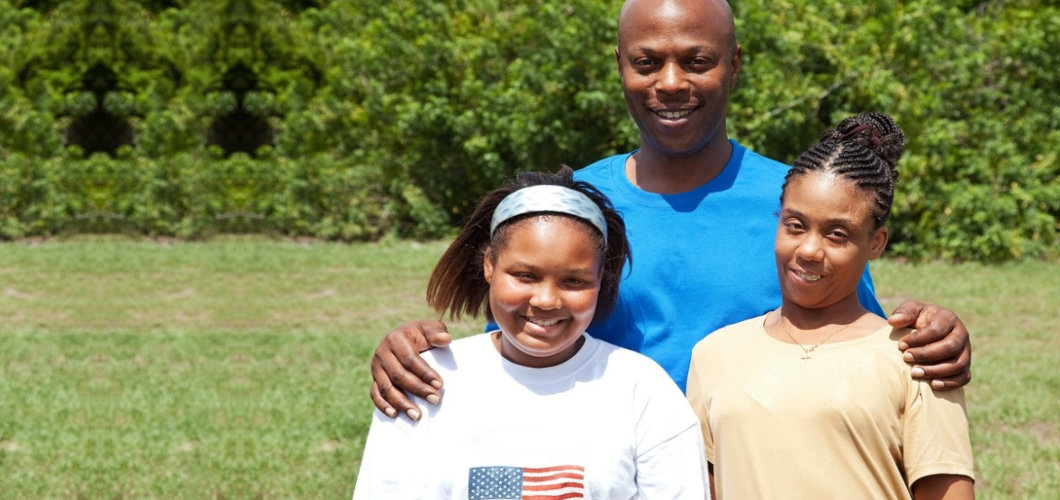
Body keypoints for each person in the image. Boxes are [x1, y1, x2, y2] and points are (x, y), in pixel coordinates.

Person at [368, 0, 973, 422]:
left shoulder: (798, 207)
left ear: (734, 64)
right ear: (621, 66)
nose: (671, 81)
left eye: (698, 60)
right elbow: (514, 348)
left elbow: (861, 345)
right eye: (647, 61)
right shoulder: (572, 208)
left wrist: (933, 336)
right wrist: (418, 352)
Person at [354, 169, 709, 499]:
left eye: (574, 281)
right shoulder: (427, 379)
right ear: (489, 264)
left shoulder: (643, 389)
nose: (546, 300)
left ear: (601, 280)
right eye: (525, 276)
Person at [687, 112, 974, 499]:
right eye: (795, 225)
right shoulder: (713, 355)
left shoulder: (916, 356)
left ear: (876, 242)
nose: (808, 250)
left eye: (837, 234)